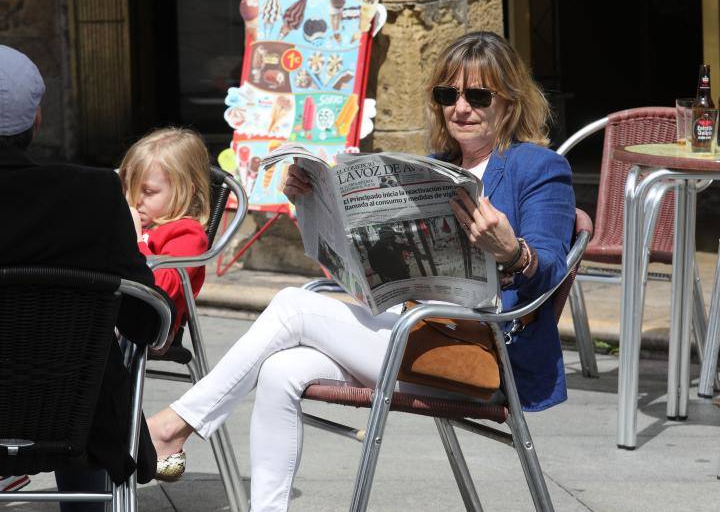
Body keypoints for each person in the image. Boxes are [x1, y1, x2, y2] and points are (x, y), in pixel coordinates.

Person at [146, 31, 575, 511]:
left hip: (482, 352)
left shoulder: (538, 167)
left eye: (477, 95)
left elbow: (551, 269)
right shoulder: (433, 169)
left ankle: (172, 426)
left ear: (509, 100)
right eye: (447, 94)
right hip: (414, 331)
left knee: (291, 306)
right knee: (279, 370)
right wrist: (314, 205)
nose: (461, 107)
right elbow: (365, 273)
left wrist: (512, 252)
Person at [0, 45, 164, 508]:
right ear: (35, 120)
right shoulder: (91, 195)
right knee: (94, 383)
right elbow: (145, 323)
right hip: (74, 420)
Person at [118, 127, 211, 353]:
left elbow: (163, 288)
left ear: (185, 191)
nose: (135, 200)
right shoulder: (132, 219)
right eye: (129, 189)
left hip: (151, 323)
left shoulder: (187, 233)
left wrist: (137, 240)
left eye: (148, 192)